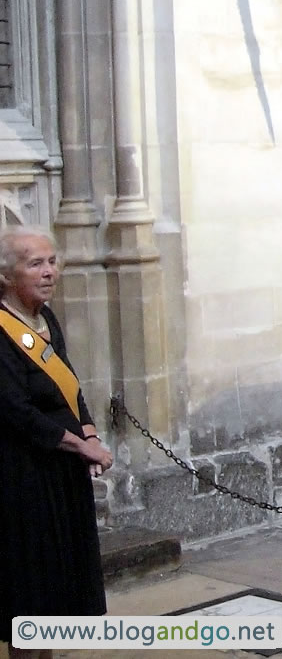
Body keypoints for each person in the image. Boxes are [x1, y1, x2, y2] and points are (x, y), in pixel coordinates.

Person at [0, 227, 113, 659]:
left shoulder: (45, 318)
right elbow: (13, 409)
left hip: (60, 474)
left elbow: (69, 384)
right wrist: (78, 445)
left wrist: (89, 431)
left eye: (52, 262)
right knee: (31, 599)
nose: (49, 272)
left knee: (59, 594)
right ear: (8, 275)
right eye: (35, 264)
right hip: (23, 478)